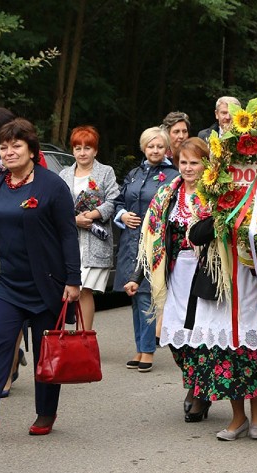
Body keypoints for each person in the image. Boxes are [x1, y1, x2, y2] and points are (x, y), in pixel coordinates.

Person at [125, 138, 257, 438]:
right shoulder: (167, 195)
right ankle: (199, 387)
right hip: (176, 272)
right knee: (180, 338)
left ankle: (233, 402)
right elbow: (152, 236)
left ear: (208, 165)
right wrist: (139, 274)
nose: (187, 168)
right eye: (183, 162)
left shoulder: (219, 193)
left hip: (215, 274)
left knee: (223, 341)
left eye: (194, 162)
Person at [0, 118, 81, 440]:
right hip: (4, 284)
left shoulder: (51, 185)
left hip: (46, 283)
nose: (9, 152)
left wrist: (73, 279)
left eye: (16, 146)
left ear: (31, 150)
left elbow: (68, 235)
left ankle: (46, 412)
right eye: (3, 147)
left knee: (45, 350)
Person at [0, 107, 47, 397]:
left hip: (23, 246)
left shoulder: (35, 163)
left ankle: (6, 370)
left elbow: (40, 201)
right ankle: (8, 356)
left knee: (10, 313)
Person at [112, 127, 178, 372]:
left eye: (160, 146)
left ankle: (148, 349)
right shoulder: (134, 173)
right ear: (143, 148)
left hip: (154, 241)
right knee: (134, 294)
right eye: (151, 146)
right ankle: (140, 347)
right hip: (130, 241)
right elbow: (120, 200)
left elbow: (172, 207)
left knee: (147, 294)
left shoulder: (172, 175)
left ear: (166, 149)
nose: (155, 150)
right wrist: (122, 214)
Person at [59, 126, 119, 330]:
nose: (82, 152)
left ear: (95, 150)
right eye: (78, 148)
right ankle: (69, 337)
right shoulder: (64, 174)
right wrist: (74, 220)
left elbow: (113, 200)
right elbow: (56, 205)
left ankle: (84, 337)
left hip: (95, 240)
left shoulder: (106, 172)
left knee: (84, 289)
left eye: (87, 148)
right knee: (71, 287)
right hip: (70, 239)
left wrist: (92, 216)